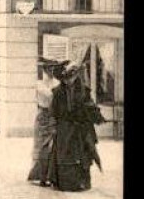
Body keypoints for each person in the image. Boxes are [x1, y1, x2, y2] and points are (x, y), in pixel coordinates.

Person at [45, 58, 104, 191]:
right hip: (64, 129)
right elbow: (53, 111)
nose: (68, 81)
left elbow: (91, 107)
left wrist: (96, 115)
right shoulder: (58, 92)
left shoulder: (84, 91)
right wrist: (54, 127)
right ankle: (63, 183)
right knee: (64, 155)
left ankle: (82, 182)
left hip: (81, 129)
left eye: (71, 77)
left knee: (83, 155)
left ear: (76, 75)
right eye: (65, 78)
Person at [27, 57, 63, 185]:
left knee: (53, 147)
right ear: (44, 69)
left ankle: (51, 175)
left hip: (53, 115)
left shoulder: (57, 83)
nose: (51, 71)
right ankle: (41, 176)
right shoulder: (39, 84)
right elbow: (49, 95)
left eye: (53, 68)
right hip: (42, 115)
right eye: (48, 68)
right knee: (41, 146)